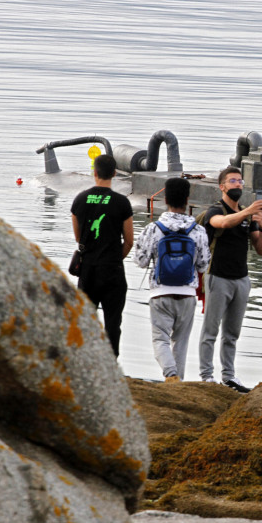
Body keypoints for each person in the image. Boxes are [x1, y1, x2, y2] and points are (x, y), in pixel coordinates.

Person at [198, 167, 262, 392]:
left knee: (232, 333)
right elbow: (224, 223)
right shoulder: (215, 210)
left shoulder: (247, 216)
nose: (238, 184)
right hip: (217, 276)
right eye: (232, 181)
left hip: (242, 279)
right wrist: (248, 211)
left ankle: (229, 376)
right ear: (222, 187)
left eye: (240, 181)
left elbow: (261, 250)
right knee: (210, 330)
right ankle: (206, 376)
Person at [134, 177, 211, 383]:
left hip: (160, 293)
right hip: (187, 294)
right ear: (187, 200)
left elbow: (140, 261)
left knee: (160, 339)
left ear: (165, 199)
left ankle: (171, 375)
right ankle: (178, 384)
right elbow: (203, 265)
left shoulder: (153, 228)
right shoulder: (198, 230)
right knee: (181, 342)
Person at [70, 154, 134, 358]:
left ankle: (84, 363)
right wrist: (114, 258)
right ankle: (111, 367)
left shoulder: (79, 200)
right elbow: (129, 241)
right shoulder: (122, 202)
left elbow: (78, 237)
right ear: (114, 173)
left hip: (87, 270)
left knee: (86, 321)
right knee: (113, 322)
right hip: (112, 270)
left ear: (94, 173)